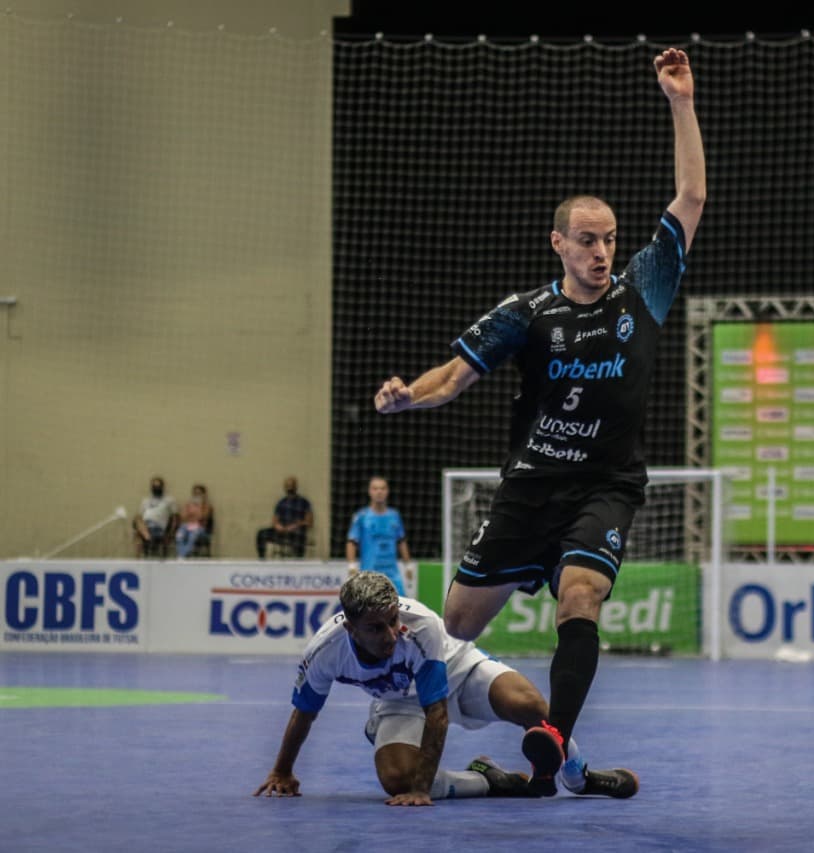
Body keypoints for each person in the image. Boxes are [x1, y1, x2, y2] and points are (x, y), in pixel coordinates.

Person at [372, 47, 704, 796]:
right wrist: (405, 396)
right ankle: (399, 707)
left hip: (604, 486)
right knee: (453, 621)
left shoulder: (641, 294)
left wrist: (680, 101)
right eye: (586, 239)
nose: (601, 249)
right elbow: (453, 376)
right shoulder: (527, 313)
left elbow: (689, 198)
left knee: (580, 595)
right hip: (529, 488)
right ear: (558, 243)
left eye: (610, 237)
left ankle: (556, 740)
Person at [253, 572, 636, 804]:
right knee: (396, 781)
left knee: (532, 705)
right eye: (375, 628)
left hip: (459, 671)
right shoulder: (325, 651)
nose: (391, 635)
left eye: (392, 621)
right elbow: (305, 712)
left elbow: (437, 713)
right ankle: (486, 780)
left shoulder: (420, 626)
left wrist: (422, 790)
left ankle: (579, 777)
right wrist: (282, 771)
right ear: (350, 628)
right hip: (399, 703)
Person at [346, 476, 412, 595]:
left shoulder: (395, 516)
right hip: (369, 574)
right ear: (369, 491)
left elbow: (401, 541)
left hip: (392, 574)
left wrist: (408, 565)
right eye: (375, 488)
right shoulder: (361, 516)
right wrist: (351, 565)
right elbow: (352, 542)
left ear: (387, 491)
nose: (379, 492)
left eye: (383, 488)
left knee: (400, 606)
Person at [256, 476, 313, 559]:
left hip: (296, 532)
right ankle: (261, 560)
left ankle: (299, 563)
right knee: (261, 533)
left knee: (300, 536)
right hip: (282, 532)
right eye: (287, 486)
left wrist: (296, 525)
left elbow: (309, 522)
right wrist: (278, 526)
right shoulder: (281, 502)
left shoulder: (304, 502)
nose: (289, 488)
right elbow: (275, 520)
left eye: (291, 485)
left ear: (296, 486)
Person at [132, 476, 179, 558]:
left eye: (158, 486)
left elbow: (175, 517)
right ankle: (148, 539)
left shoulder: (169, 500)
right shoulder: (145, 500)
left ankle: (148, 538)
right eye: (154, 486)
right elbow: (140, 515)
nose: (156, 488)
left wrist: (171, 533)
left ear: (162, 487)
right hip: (145, 525)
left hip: (158, 526)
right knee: (137, 520)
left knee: (140, 533)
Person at [175, 484, 214, 559]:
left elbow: (202, 517)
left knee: (192, 535)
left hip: (200, 528)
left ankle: (184, 554)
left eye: (199, 493)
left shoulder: (207, 506)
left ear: (203, 494)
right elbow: (183, 517)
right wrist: (192, 515)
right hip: (187, 526)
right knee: (179, 534)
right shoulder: (188, 505)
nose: (197, 495)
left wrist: (199, 506)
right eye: (195, 493)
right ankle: (181, 554)